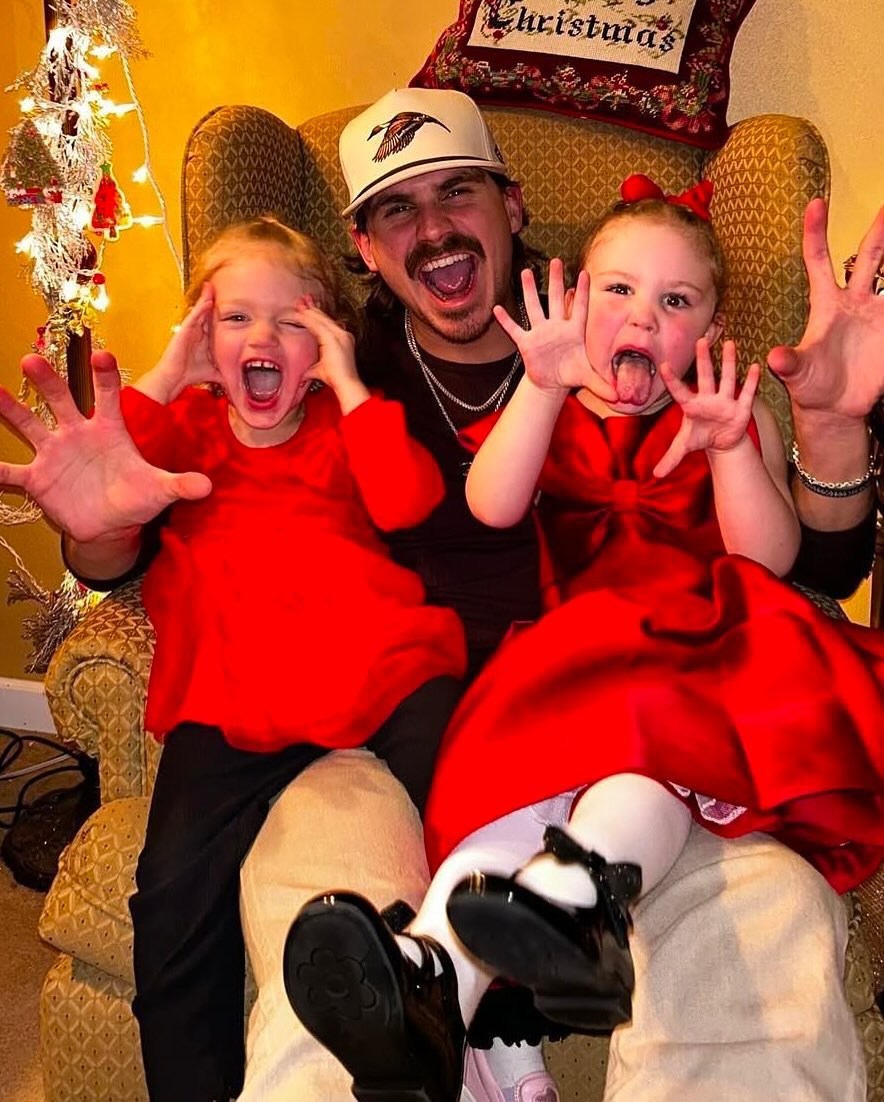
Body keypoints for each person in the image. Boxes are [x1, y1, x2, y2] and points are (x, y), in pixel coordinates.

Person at [15, 88, 881, 1102]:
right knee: (336, 956)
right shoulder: (319, 367)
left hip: (661, 720)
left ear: (512, 207)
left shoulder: (642, 351)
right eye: (396, 209)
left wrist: (826, 428)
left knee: (762, 928)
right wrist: (101, 521)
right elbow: (163, 528)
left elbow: (803, 571)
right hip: (375, 735)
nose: (431, 228)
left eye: (457, 192)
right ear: (364, 248)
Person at [281, 176, 884, 1102]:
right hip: (571, 662)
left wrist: (731, 448)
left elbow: (765, 560)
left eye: (675, 301)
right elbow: (492, 501)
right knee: (501, 816)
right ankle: (426, 980)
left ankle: (579, 901)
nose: (643, 316)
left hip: (693, 656)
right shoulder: (550, 402)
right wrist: (542, 383)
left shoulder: (729, 411)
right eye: (619, 291)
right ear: (573, 300)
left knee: (640, 772)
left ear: (711, 326)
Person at [0, 216, 468, 1102]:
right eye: (235, 318)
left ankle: (464, 996)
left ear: (324, 340)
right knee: (170, 899)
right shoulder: (182, 432)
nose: (264, 338)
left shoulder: (346, 424)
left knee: (462, 805)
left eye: (294, 322)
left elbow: (407, 503)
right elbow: (111, 477)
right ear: (203, 339)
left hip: (381, 673)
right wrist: (168, 372)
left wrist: (350, 383)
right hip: (230, 701)